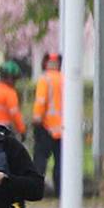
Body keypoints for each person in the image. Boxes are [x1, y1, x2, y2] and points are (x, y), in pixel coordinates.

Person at [31, 52, 63, 195]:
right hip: (62, 128)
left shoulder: (45, 79)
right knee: (60, 161)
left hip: (46, 126)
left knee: (40, 159)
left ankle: (36, 189)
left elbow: (41, 102)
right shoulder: (65, 79)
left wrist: (36, 119)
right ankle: (60, 190)